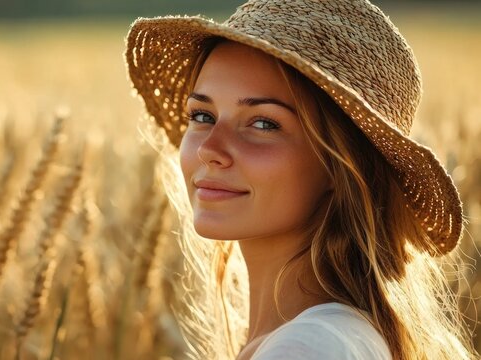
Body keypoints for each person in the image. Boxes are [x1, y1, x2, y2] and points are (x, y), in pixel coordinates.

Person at [125, 0, 478, 359]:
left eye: (264, 123)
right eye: (202, 114)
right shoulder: (326, 337)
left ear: (340, 166)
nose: (209, 149)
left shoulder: (308, 347)